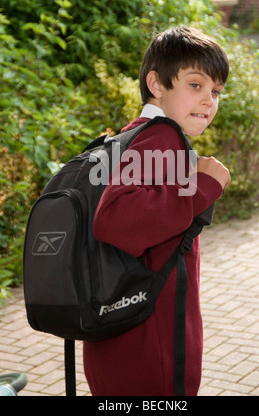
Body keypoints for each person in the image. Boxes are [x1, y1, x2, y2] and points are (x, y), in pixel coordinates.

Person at [83, 25, 231, 396]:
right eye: (196, 85)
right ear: (157, 83)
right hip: (151, 342)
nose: (209, 101)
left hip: (123, 328)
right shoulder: (161, 136)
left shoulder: (134, 133)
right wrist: (203, 187)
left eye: (216, 91)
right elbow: (113, 218)